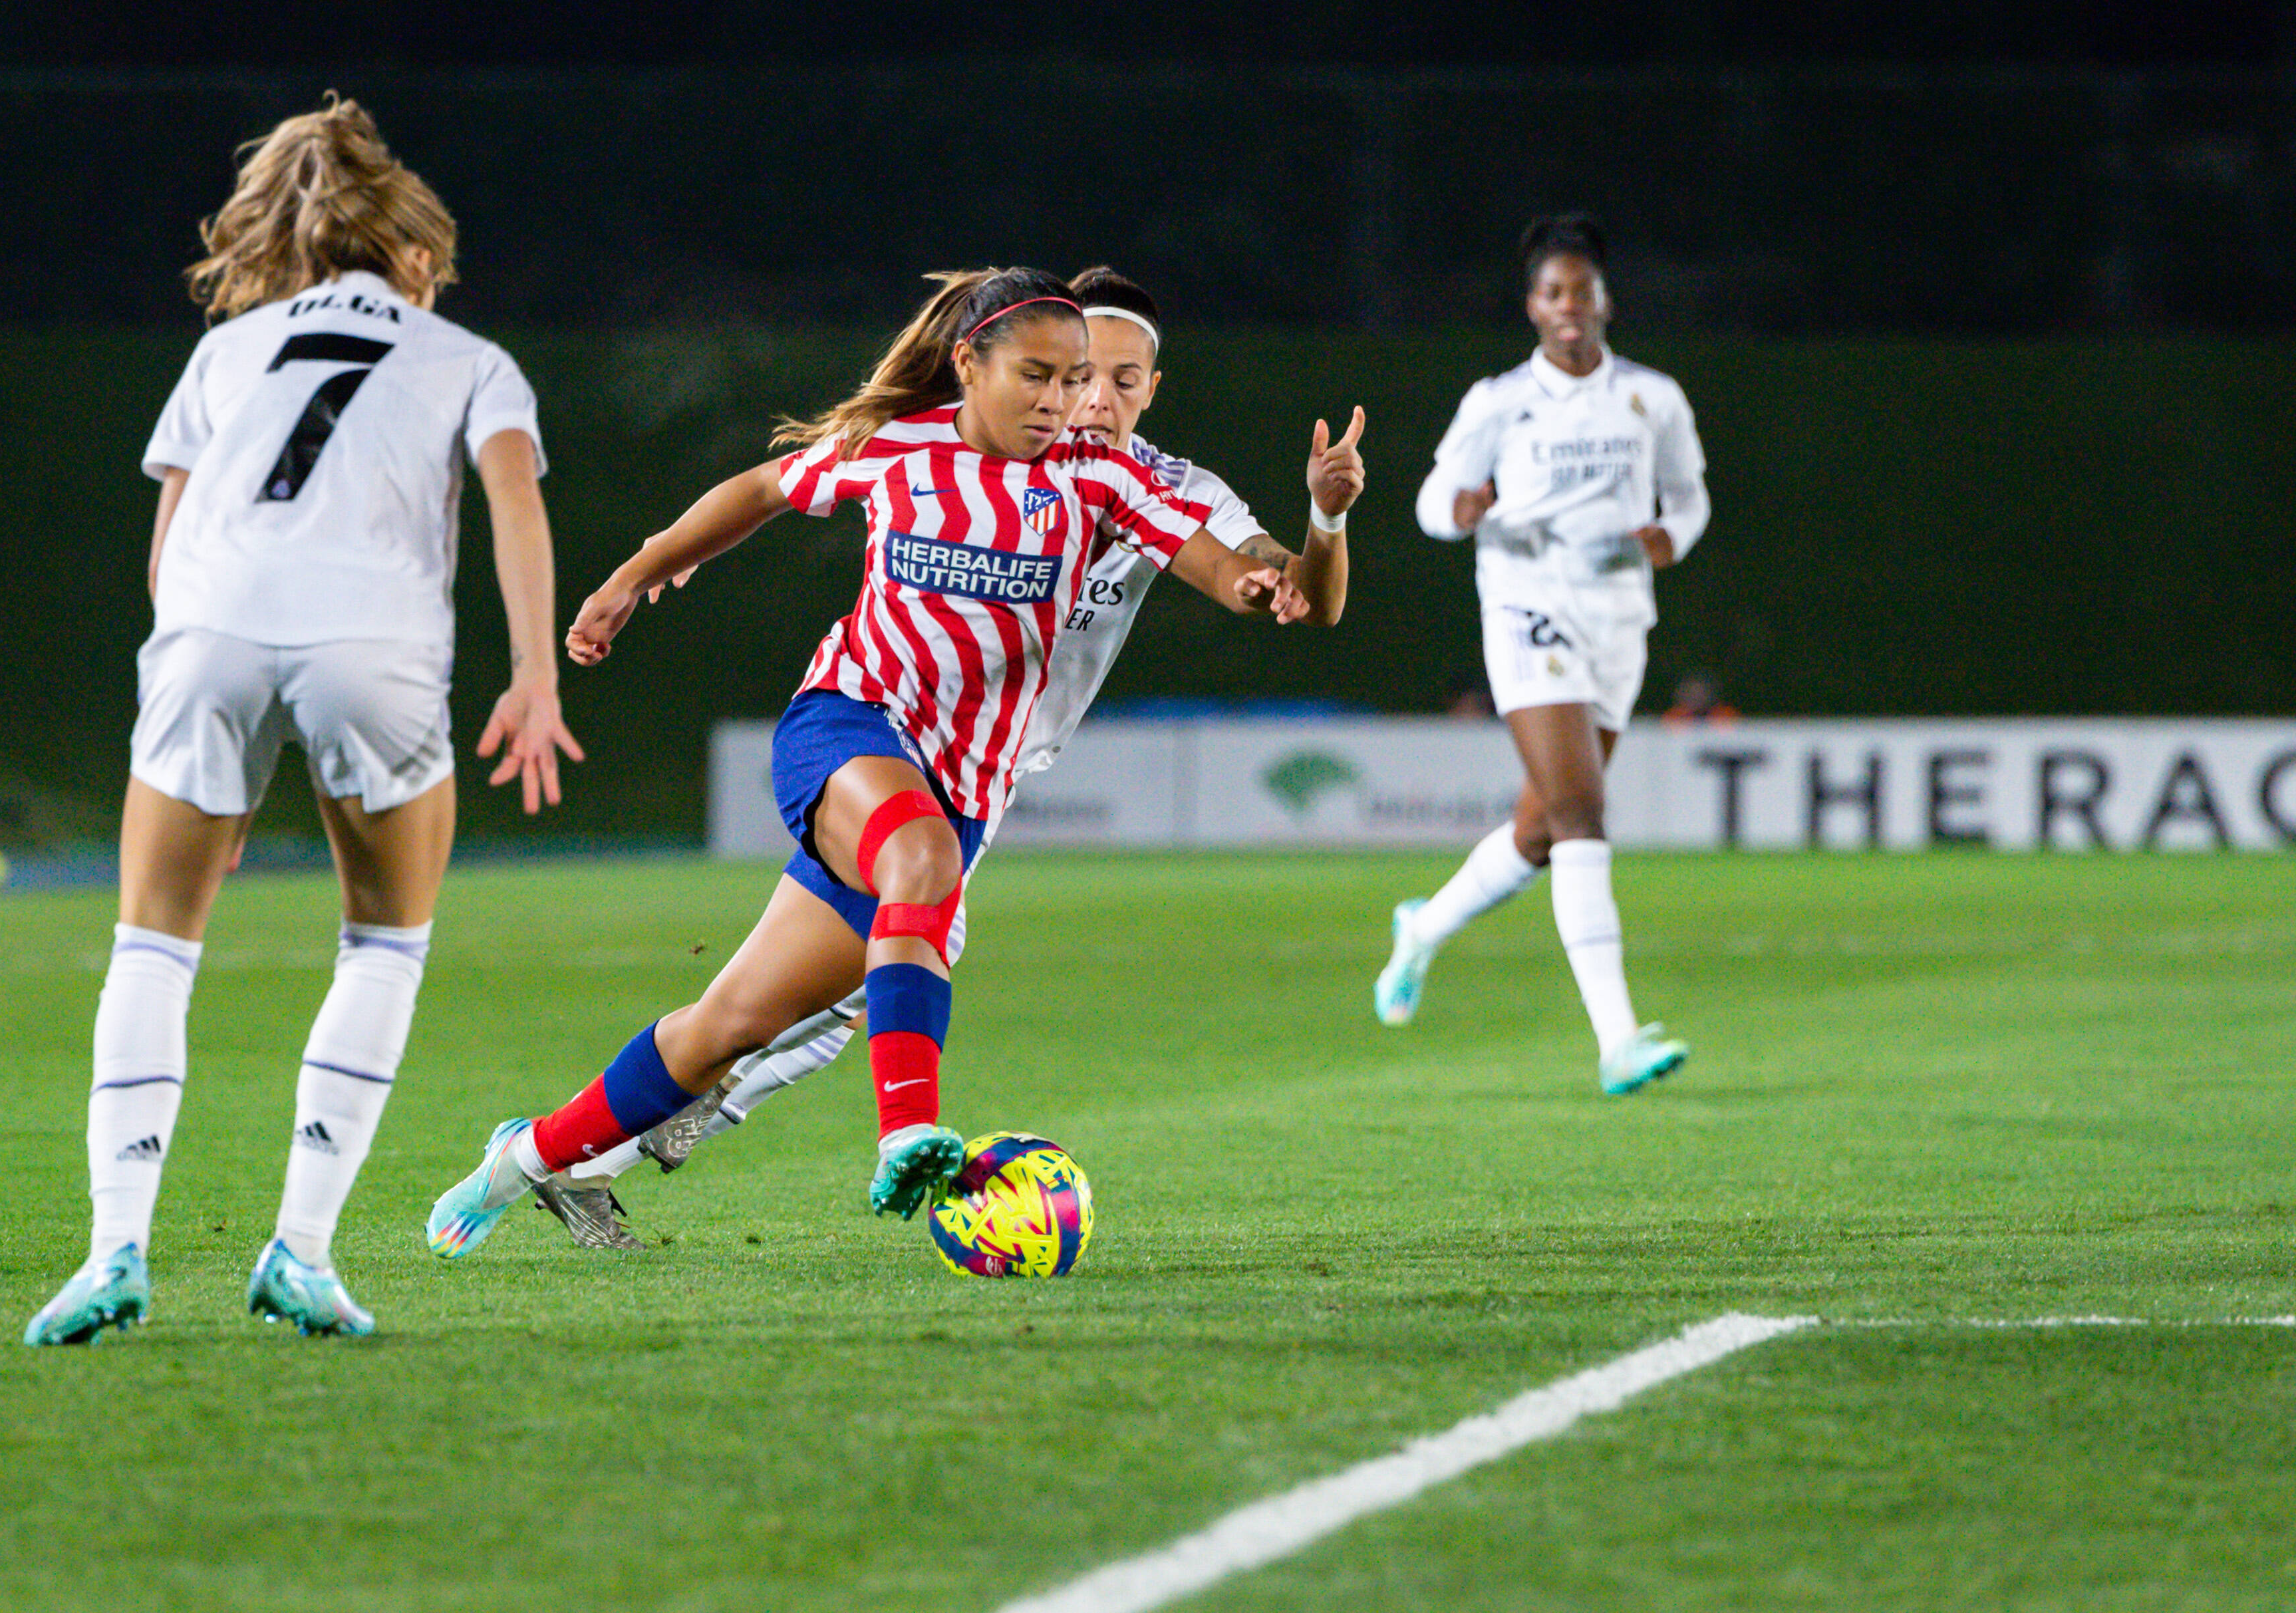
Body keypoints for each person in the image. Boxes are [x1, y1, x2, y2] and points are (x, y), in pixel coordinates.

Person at [423, 267, 1306, 1258]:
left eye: (1075, 383)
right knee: (919, 861)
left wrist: (1281, 567)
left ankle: (528, 1157)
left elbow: (1222, 567)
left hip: (964, 787)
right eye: (1040, 376)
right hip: (846, 725)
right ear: (969, 363)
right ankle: (909, 1133)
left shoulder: (1101, 481)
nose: (1062, 403)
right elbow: (763, 487)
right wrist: (641, 570)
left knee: (730, 1024)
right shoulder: (901, 447)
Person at [23, 96, 580, 1344]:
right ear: (418, 258)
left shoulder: (229, 349)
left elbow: (171, 546)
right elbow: (514, 503)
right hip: (372, 641)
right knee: (383, 943)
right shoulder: (469, 357)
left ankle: (114, 1246)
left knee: (152, 945)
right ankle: (303, 1252)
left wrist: (197, 725)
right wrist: (533, 676)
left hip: (207, 631)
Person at [1375, 214, 1709, 1094]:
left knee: (1538, 827)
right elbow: (1432, 498)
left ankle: (1424, 927)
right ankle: (1619, 1038)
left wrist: (1671, 536)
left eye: (1583, 291)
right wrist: (1460, 510)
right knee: (1578, 817)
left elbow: (1690, 497)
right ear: (1534, 306)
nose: (1570, 307)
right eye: (1553, 292)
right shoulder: (1499, 402)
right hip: (1527, 607)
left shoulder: (1653, 398)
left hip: (1618, 619)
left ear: (1606, 301)